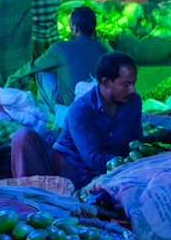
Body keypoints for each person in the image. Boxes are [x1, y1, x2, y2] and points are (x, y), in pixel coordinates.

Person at [10, 51, 141, 189]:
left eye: (134, 83)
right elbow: (93, 159)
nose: (132, 90)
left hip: (112, 169)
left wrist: (139, 163)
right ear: (106, 82)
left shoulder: (133, 102)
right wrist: (128, 165)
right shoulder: (81, 110)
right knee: (22, 135)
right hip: (73, 168)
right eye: (126, 84)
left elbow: (135, 144)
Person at [6, 6, 112, 111]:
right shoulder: (106, 48)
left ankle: (51, 117)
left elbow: (34, 66)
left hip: (72, 108)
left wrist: (13, 78)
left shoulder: (60, 48)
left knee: (41, 72)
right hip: (101, 106)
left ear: (75, 29)